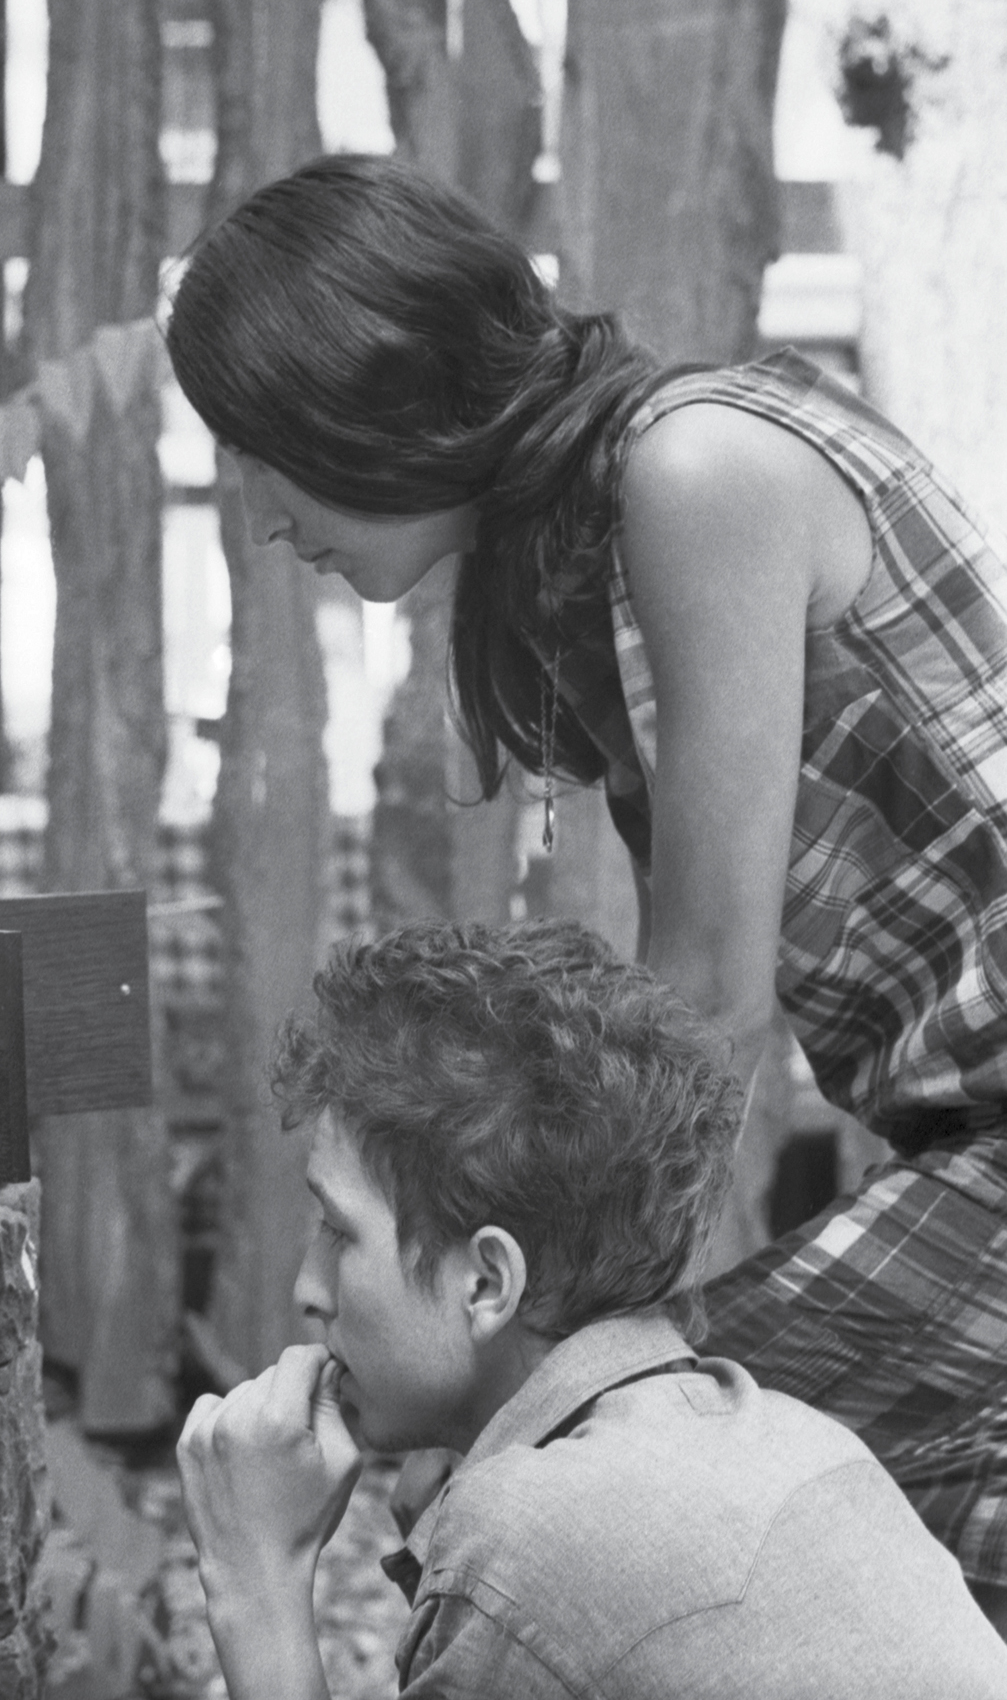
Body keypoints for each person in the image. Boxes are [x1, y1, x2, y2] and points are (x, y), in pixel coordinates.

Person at [165, 153, 1007, 1621]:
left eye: (265, 448)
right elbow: (664, 1042)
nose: (259, 513)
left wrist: (544, 1347)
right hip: (955, 1148)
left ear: (379, 393)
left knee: (599, 1488)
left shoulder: (697, 470)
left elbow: (704, 1002)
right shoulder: (567, 563)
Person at [177, 920, 1007, 1698]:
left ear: (488, 1284)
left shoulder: (529, 1535)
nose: (306, 1290)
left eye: (336, 1230)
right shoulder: (780, 1429)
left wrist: (257, 1580)